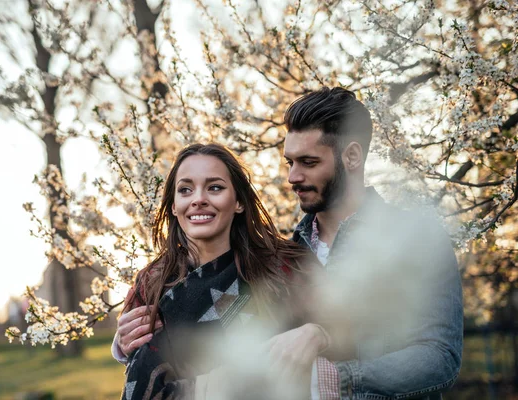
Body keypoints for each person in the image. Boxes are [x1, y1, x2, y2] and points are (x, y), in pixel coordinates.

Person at [115, 88, 464, 399]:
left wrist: (336, 376)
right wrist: (130, 347)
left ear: (352, 157)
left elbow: (439, 358)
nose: (293, 177)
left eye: (308, 162)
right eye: (290, 162)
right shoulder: (282, 257)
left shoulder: (414, 237)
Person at [115, 143, 329, 400]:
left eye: (215, 187)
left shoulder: (285, 265)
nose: (198, 199)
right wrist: (120, 345)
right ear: (173, 206)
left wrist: (319, 332)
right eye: (185, 190)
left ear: (238, 201)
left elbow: (344, 329)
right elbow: (139, 366)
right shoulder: (153, 281)